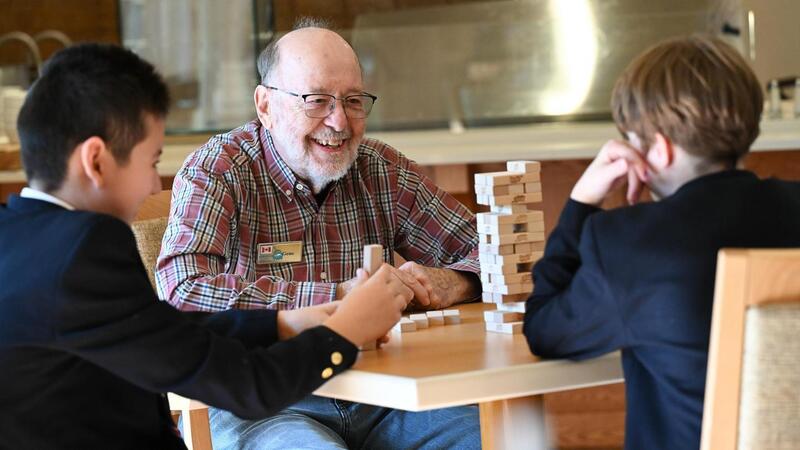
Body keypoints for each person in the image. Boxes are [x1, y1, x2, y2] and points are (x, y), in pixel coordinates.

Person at [0, 43, 414, 450]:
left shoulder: (16, 235)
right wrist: (347, 329)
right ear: (96, 161)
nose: (154, 186)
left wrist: (283, 323)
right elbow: (252, 387)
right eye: (151, 161)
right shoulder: (85, 249)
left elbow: (163, 336)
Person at [156, 17, 482, 450]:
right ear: (265, 105)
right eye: (316, 101)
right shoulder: (219, 170)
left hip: (383, 393)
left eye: (353, 100)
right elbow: (182, 293)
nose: (340, 121)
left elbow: (500, 251)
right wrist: (341, 299)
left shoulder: (381, 169)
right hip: (264, 400)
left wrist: (453, 282)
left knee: (502, 439)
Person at [523, 34, 800, 450]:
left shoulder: (630, 243)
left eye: (632, 139)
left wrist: (582, 201)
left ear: (661, 150)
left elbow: (544, 330)